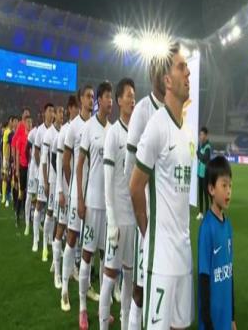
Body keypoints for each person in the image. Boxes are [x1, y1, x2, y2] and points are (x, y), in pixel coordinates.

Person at [130, 42, 194, 330]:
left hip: (184, 254)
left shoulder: (187, 131)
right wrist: (147, 231)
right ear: (167, 81)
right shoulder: (156, 125)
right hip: (162, 258)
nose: (188, 73)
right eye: (182, 67)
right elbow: (135, 187)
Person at [124, 59, 165, 330]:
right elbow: (130, 171)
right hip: (147, 219)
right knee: (139, 290)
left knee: (161, 289)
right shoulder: (142, 110)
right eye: (160, 70)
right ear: (152, 74)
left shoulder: (173, 111)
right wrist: (140, 220)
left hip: (167, 222)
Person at [99, 78, 136, 330]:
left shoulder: (138, 133)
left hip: (133, 219)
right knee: (110, 277)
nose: (132, 100)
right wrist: (111, 220)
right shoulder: (113, 133)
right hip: (118, 221)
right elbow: (108, 181)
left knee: (130, 278)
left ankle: (125, 325)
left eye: (134, 96)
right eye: (129, 96)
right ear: (120, 100)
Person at [77, 81, 113, 330]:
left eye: (112, 97)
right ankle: (82, 308)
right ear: (99, 100)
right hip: (91, 202)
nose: (110, 101)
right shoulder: (89, 128)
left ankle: (103, 310)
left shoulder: (113, 130)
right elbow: (79, 165)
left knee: (105, 257)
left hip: (109, 206)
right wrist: (80, 199)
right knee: (87, 254)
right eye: (107, 97)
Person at [61, 85, 99, 312]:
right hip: (78, 195)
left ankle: (87, 286)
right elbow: (66, 162)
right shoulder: (73, 127)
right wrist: (74, 190)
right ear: (80, 100)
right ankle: (65, 289)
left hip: (92, 194)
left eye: (93, 97)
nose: (91, 100)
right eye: (88, 96)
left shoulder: (95, 125)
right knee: (72, 238)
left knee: (89, 244)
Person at [198, 156, 236, 330]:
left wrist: (232, 317)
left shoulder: (228, 226)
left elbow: (230, 273)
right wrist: (208, 323)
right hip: (212, 320)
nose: (229, 191)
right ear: (211, 189)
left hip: (225, 316)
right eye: (224, 185)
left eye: (230, 186)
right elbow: (203, 279)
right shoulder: (207, 228)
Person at [52, 95, 80, 289]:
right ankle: (57, 270)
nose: (78, 110)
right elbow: (59, 162)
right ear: (71, 108)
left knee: (73, 232)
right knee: (61, 227)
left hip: (77, 192)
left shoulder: (82, 128)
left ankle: (71, 268)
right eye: (75, 107)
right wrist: (61, 190)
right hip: (65, 188)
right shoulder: (64, 131)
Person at [41, 105, 64, 262]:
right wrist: (46, 181)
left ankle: (56, 244)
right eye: (59, 112)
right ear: (54, 115)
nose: (62, 115)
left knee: (59, 216)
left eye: (63, 113)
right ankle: (44, 246)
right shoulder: (49, 134)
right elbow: (44, 160)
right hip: (52, 180)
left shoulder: (64, 131)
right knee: (49, 212)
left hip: (61, 182)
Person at [32, 103, 55, 253]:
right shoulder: (40, 131)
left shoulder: (56, 130)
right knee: (40, 205)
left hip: (53, 177)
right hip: (43, 175)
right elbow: (36, 152)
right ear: (44, 113)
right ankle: (36, 239)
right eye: (49, 111)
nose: (52, 113)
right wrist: (42, 168)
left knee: (51, 209)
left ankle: (49, 238)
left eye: (53, 111)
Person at [15, 115, 32, 228]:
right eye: (28, 122)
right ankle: (17, 215)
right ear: (24, 124)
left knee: (30, 194)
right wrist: (17, 170)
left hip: (31, 169)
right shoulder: (21, 138)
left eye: (31, 122)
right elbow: (17, 155)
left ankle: (28, 216)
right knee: (21, 192)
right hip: (23, 167)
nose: (30, 124)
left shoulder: (33, 137)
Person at [24, 119, 39, 236]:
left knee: (40, 199)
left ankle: (38, 223)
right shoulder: (33, 132)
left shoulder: (50, 131)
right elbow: (26, 149)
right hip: (34, 170)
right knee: (29, 196)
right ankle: (27, 224)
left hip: (43, 171)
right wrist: (30, 161)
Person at [196, 126, 212, 220]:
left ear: (206, 135)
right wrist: (199, 154)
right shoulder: (201, 145)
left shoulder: (207, 147)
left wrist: (198, 154)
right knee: (200, 194)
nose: (200, 136)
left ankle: (207, 213)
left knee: (206, 194)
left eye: (202, 134)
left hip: (206, 174)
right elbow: (199, 157)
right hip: (200, 173)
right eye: (200, 134)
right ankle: (201, 212)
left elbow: (204, 158)